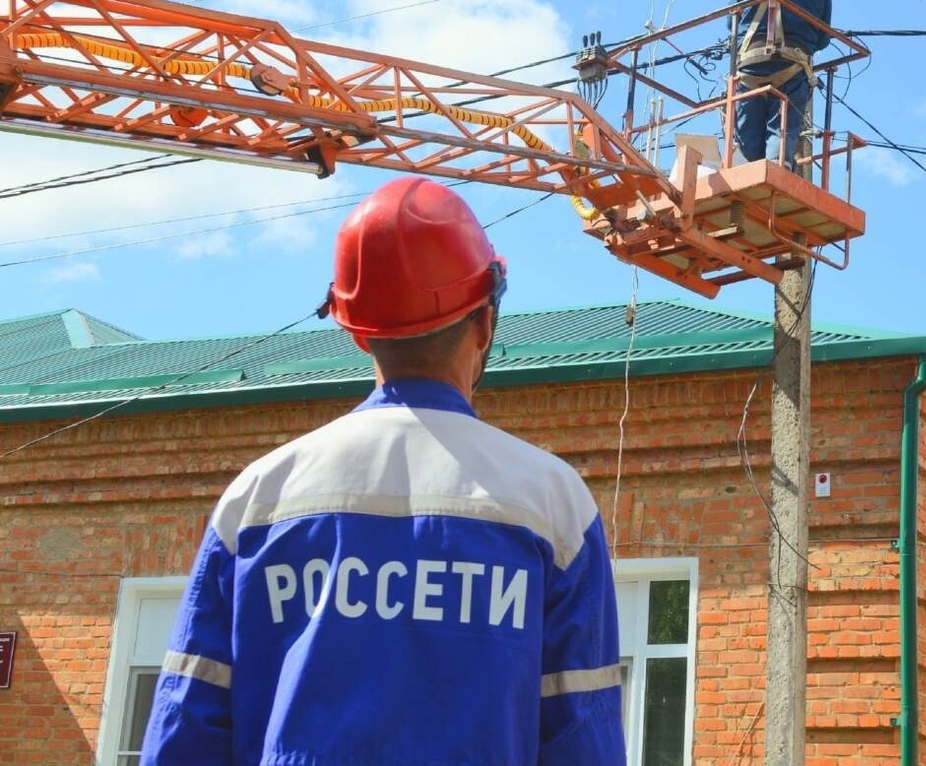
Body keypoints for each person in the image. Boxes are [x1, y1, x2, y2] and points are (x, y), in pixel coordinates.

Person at [141, 177, 626, 765]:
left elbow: (186, 725)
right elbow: (583, 736)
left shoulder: (260, 496)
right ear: (484, 321)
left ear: (356, 329)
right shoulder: (551, 503)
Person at [732, 0, 833, 170]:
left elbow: (732, 22)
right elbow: (822, 40)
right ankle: (777, 172)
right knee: (781, 130)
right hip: (792, 67)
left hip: (751, 65)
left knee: (746, 138)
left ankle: (754, 173)